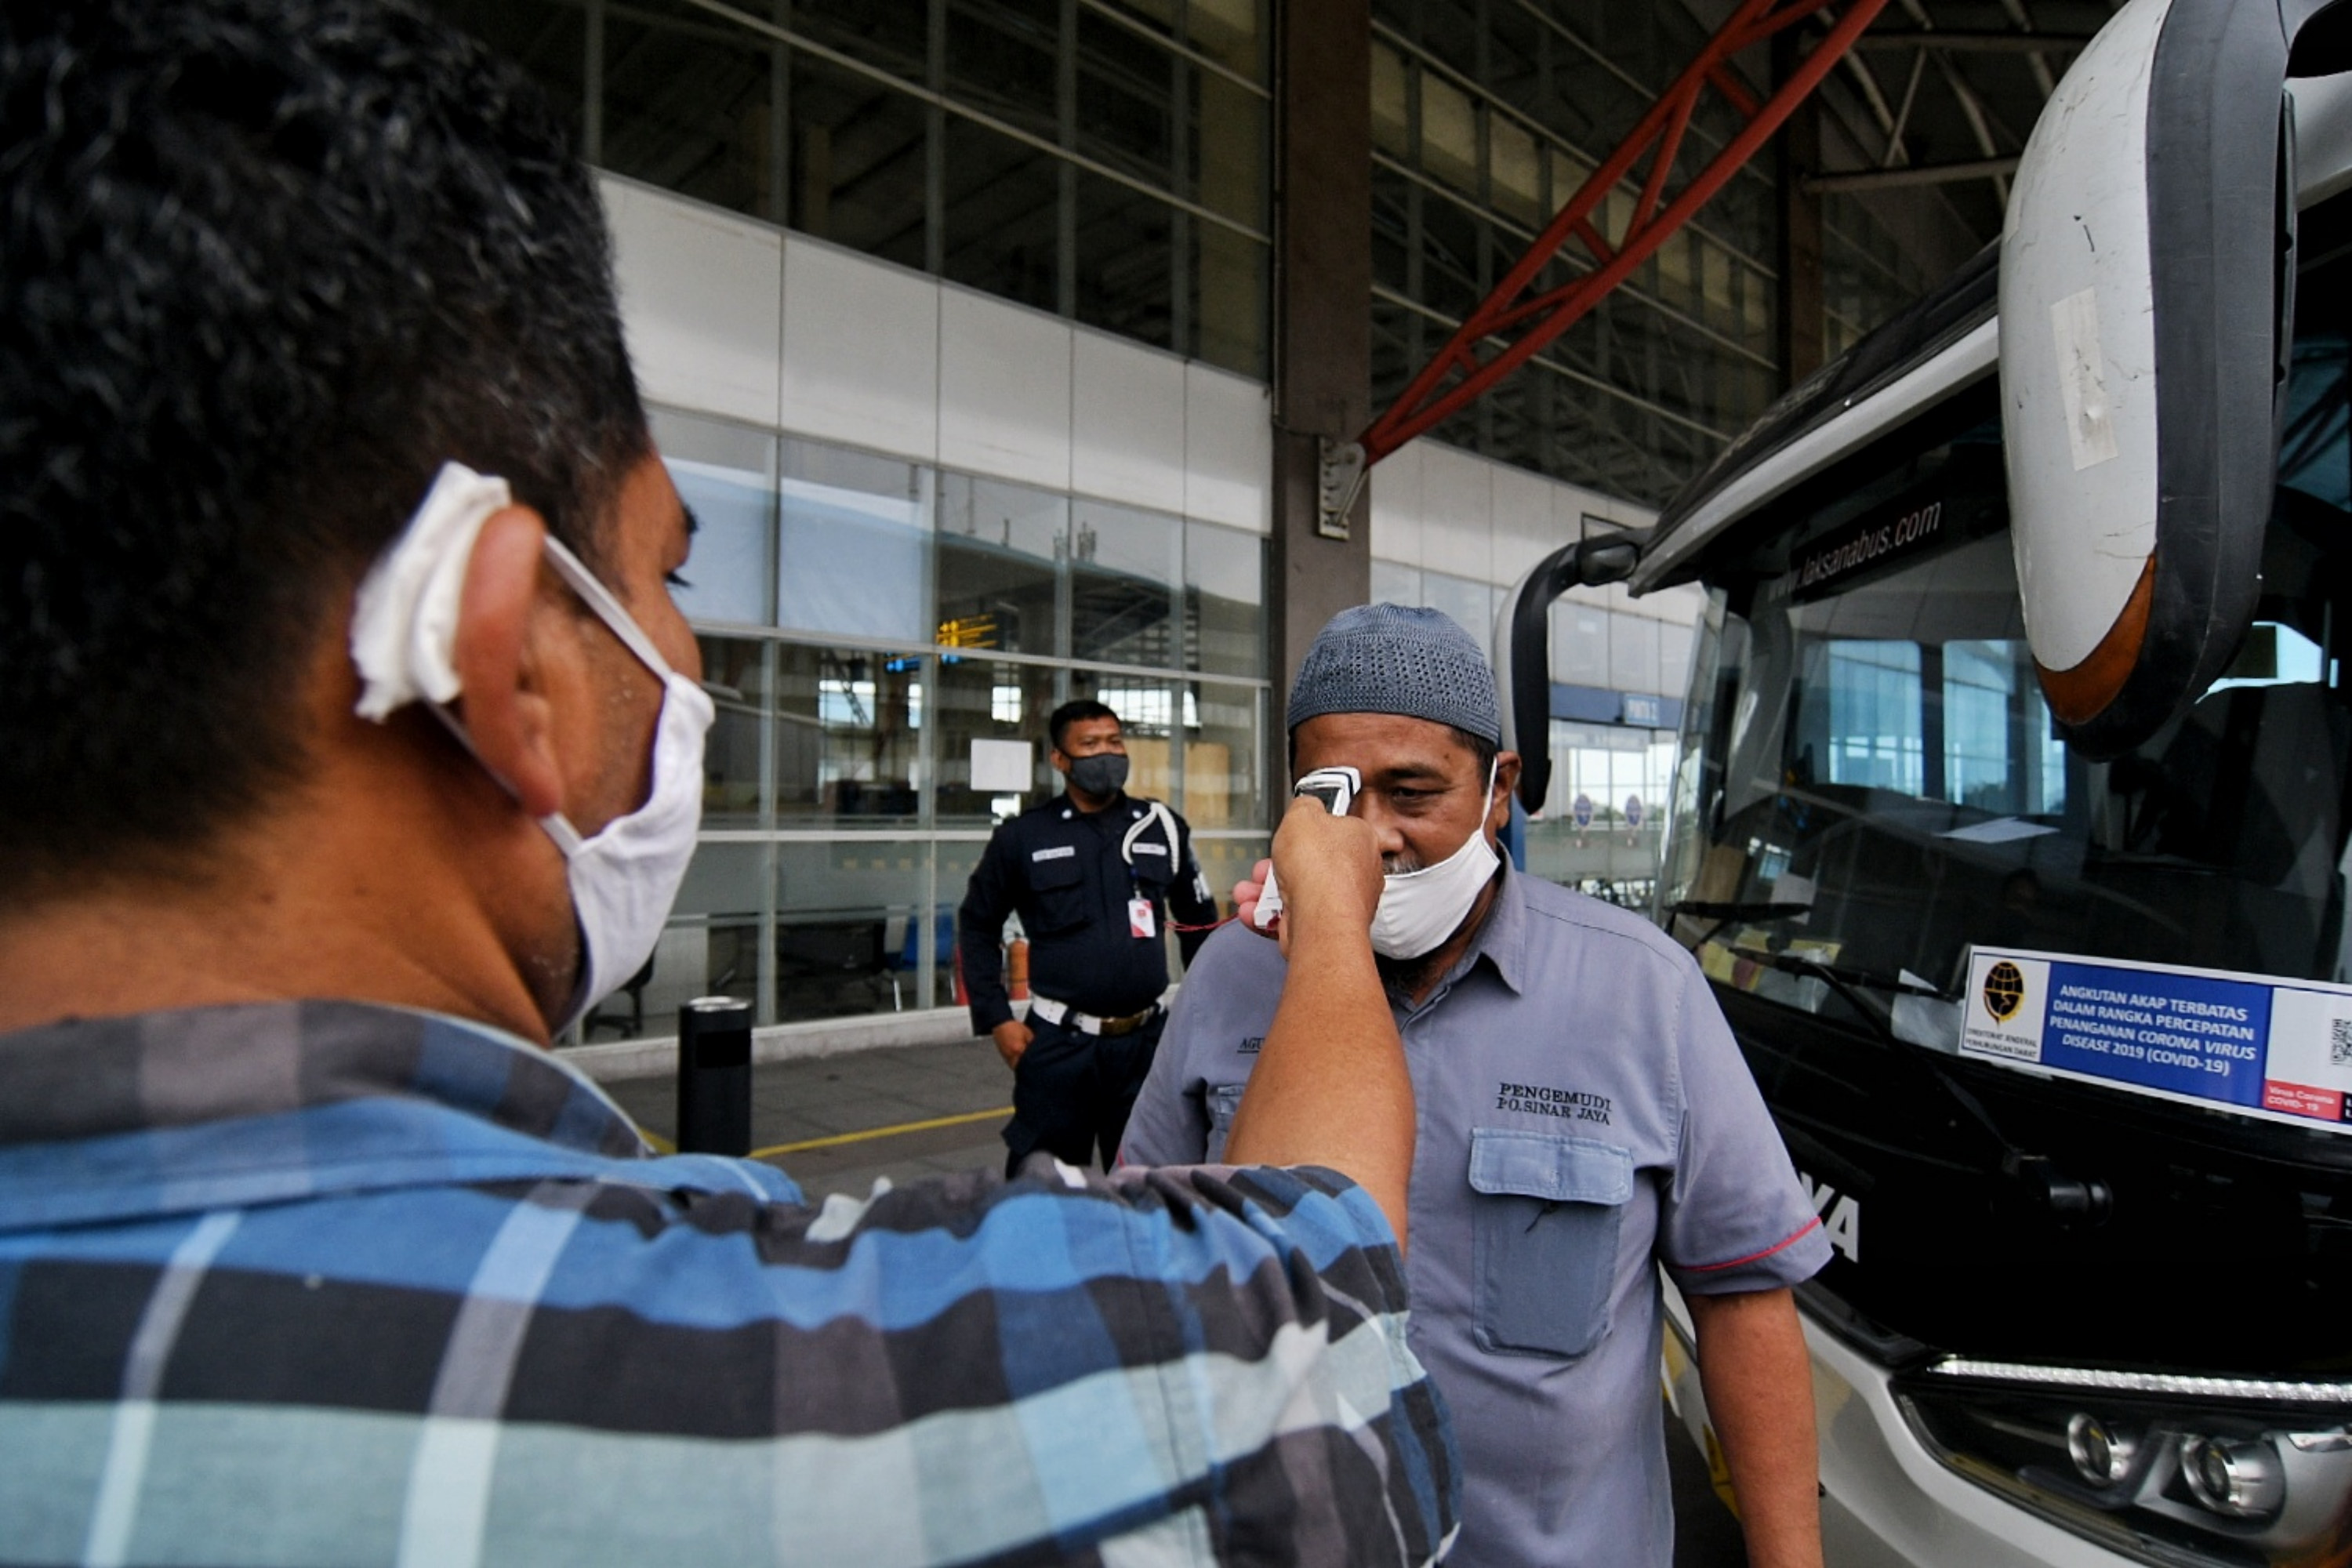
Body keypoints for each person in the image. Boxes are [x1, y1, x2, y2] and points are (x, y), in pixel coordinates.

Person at [0, 7, 1459, 1563]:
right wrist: (1315, 908)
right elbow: (1318, 1302)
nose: (689, 657)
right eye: (666, 571)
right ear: (507, 665)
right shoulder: (799, 1366)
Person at [1123, 604, 1832, 1568]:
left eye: (1413, 793)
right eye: (1331, 798)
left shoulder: (1642, 992)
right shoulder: (1229, 978)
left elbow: (1742, 1298)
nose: (1370, 839)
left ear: (1501, 790)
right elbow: (1137, 1255)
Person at [959, 699, 1220, 1175]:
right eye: (1090, 744)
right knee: (1045, 1191)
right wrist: (997, 1018)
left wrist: (1205, 1023)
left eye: (1115, 741)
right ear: (1059, 759)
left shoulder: (1160, 826)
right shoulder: (1024, 837)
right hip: (1059, 1045)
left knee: (1156, 1183)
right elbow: (978, 925)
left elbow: (1199, 926)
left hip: (1147, 1047)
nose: (1108, 753)